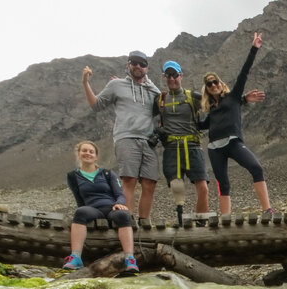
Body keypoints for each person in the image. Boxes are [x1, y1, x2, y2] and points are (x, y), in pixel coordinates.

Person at [200, 32, 273, 216]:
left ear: (220, 83)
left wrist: (254, 49)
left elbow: (244, 73)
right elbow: (202, 125)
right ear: (207, 89)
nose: (213, 85)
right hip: (214, 149)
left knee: (256, 168)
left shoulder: (233, 97)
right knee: (223, 184)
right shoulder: (211, 110)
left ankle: (267, 210)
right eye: (209, 84)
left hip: (233, 142)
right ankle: (226, 218)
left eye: (215, 82)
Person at [82, 50, 159, 224]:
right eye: (134, 62)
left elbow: (163, 103)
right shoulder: (116, 85)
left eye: (142, 64)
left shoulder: (152, 90)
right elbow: (96, 105)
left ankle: (144, 222)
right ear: (128, 65)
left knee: (150, 183)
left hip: (149, 140)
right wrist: (85, 83)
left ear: (147, 68)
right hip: (126, 138)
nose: (138, 66)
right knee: (129, 180)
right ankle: (127, 222)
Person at [62, 141, 139, 273]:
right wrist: (84, 215)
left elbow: (120, 194)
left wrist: (119, 203)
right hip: (92, 209)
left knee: (123, 215)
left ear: (96, 156)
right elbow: (79, 198)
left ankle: (130, 259)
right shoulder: (72, 176)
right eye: (84, 151)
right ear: (78, 154)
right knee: (80, 212)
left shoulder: (107, 173)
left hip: (111, 207)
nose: (88, 154)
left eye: (91, 152)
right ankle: (75, 258)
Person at [152, 60, 208, 225]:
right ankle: (180, 219)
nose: (172, 78)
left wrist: (242, 99)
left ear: (181, 75)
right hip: (171, 148)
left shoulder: (193, 97)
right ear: (164, 77)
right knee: (177, 186)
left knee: (203, 187)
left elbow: (216, 102)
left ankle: (201, 222)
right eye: (168, 75)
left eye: (174, 75)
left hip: (193, 146)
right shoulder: (160, 99)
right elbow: (144, 113)